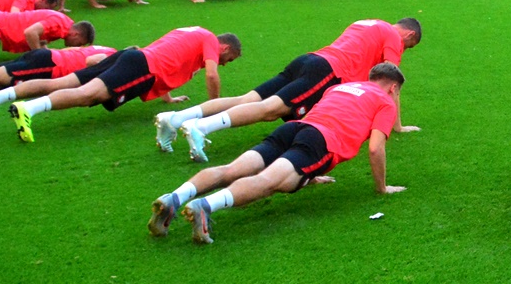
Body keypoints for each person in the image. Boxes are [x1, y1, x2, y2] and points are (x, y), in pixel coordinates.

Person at [149, 65, 407, 245]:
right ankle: (206, 207)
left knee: (232, 169)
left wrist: (311, 175)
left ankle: (176, 197)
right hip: (320, 141)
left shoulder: (341, 88)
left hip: (293, 129)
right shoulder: (384, 102)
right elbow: (375, 147)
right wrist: (382, 188)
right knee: (268, 182)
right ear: (393, 87)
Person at [156, 17, 422, 162]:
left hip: (309, 59)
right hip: (328, 72)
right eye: (408, 47)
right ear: (409, 36)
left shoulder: (367, 22)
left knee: (248, 98)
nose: (404, 50)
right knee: (270, 110)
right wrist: (396, 126)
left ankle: (176, 118)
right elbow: (390, 82)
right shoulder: (393, 38)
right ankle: (201, 128)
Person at [0, 26, 242, 143]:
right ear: (225, 47)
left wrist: (168, 98)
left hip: (131, 56)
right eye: (227, 60)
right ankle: (28, 109)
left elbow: (170, 57)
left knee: (65, 82)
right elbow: (211, 75)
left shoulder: (193, 32)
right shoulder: (210, 40)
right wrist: (213, 106)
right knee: (87, 95)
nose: (224, 64)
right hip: (141, 68)